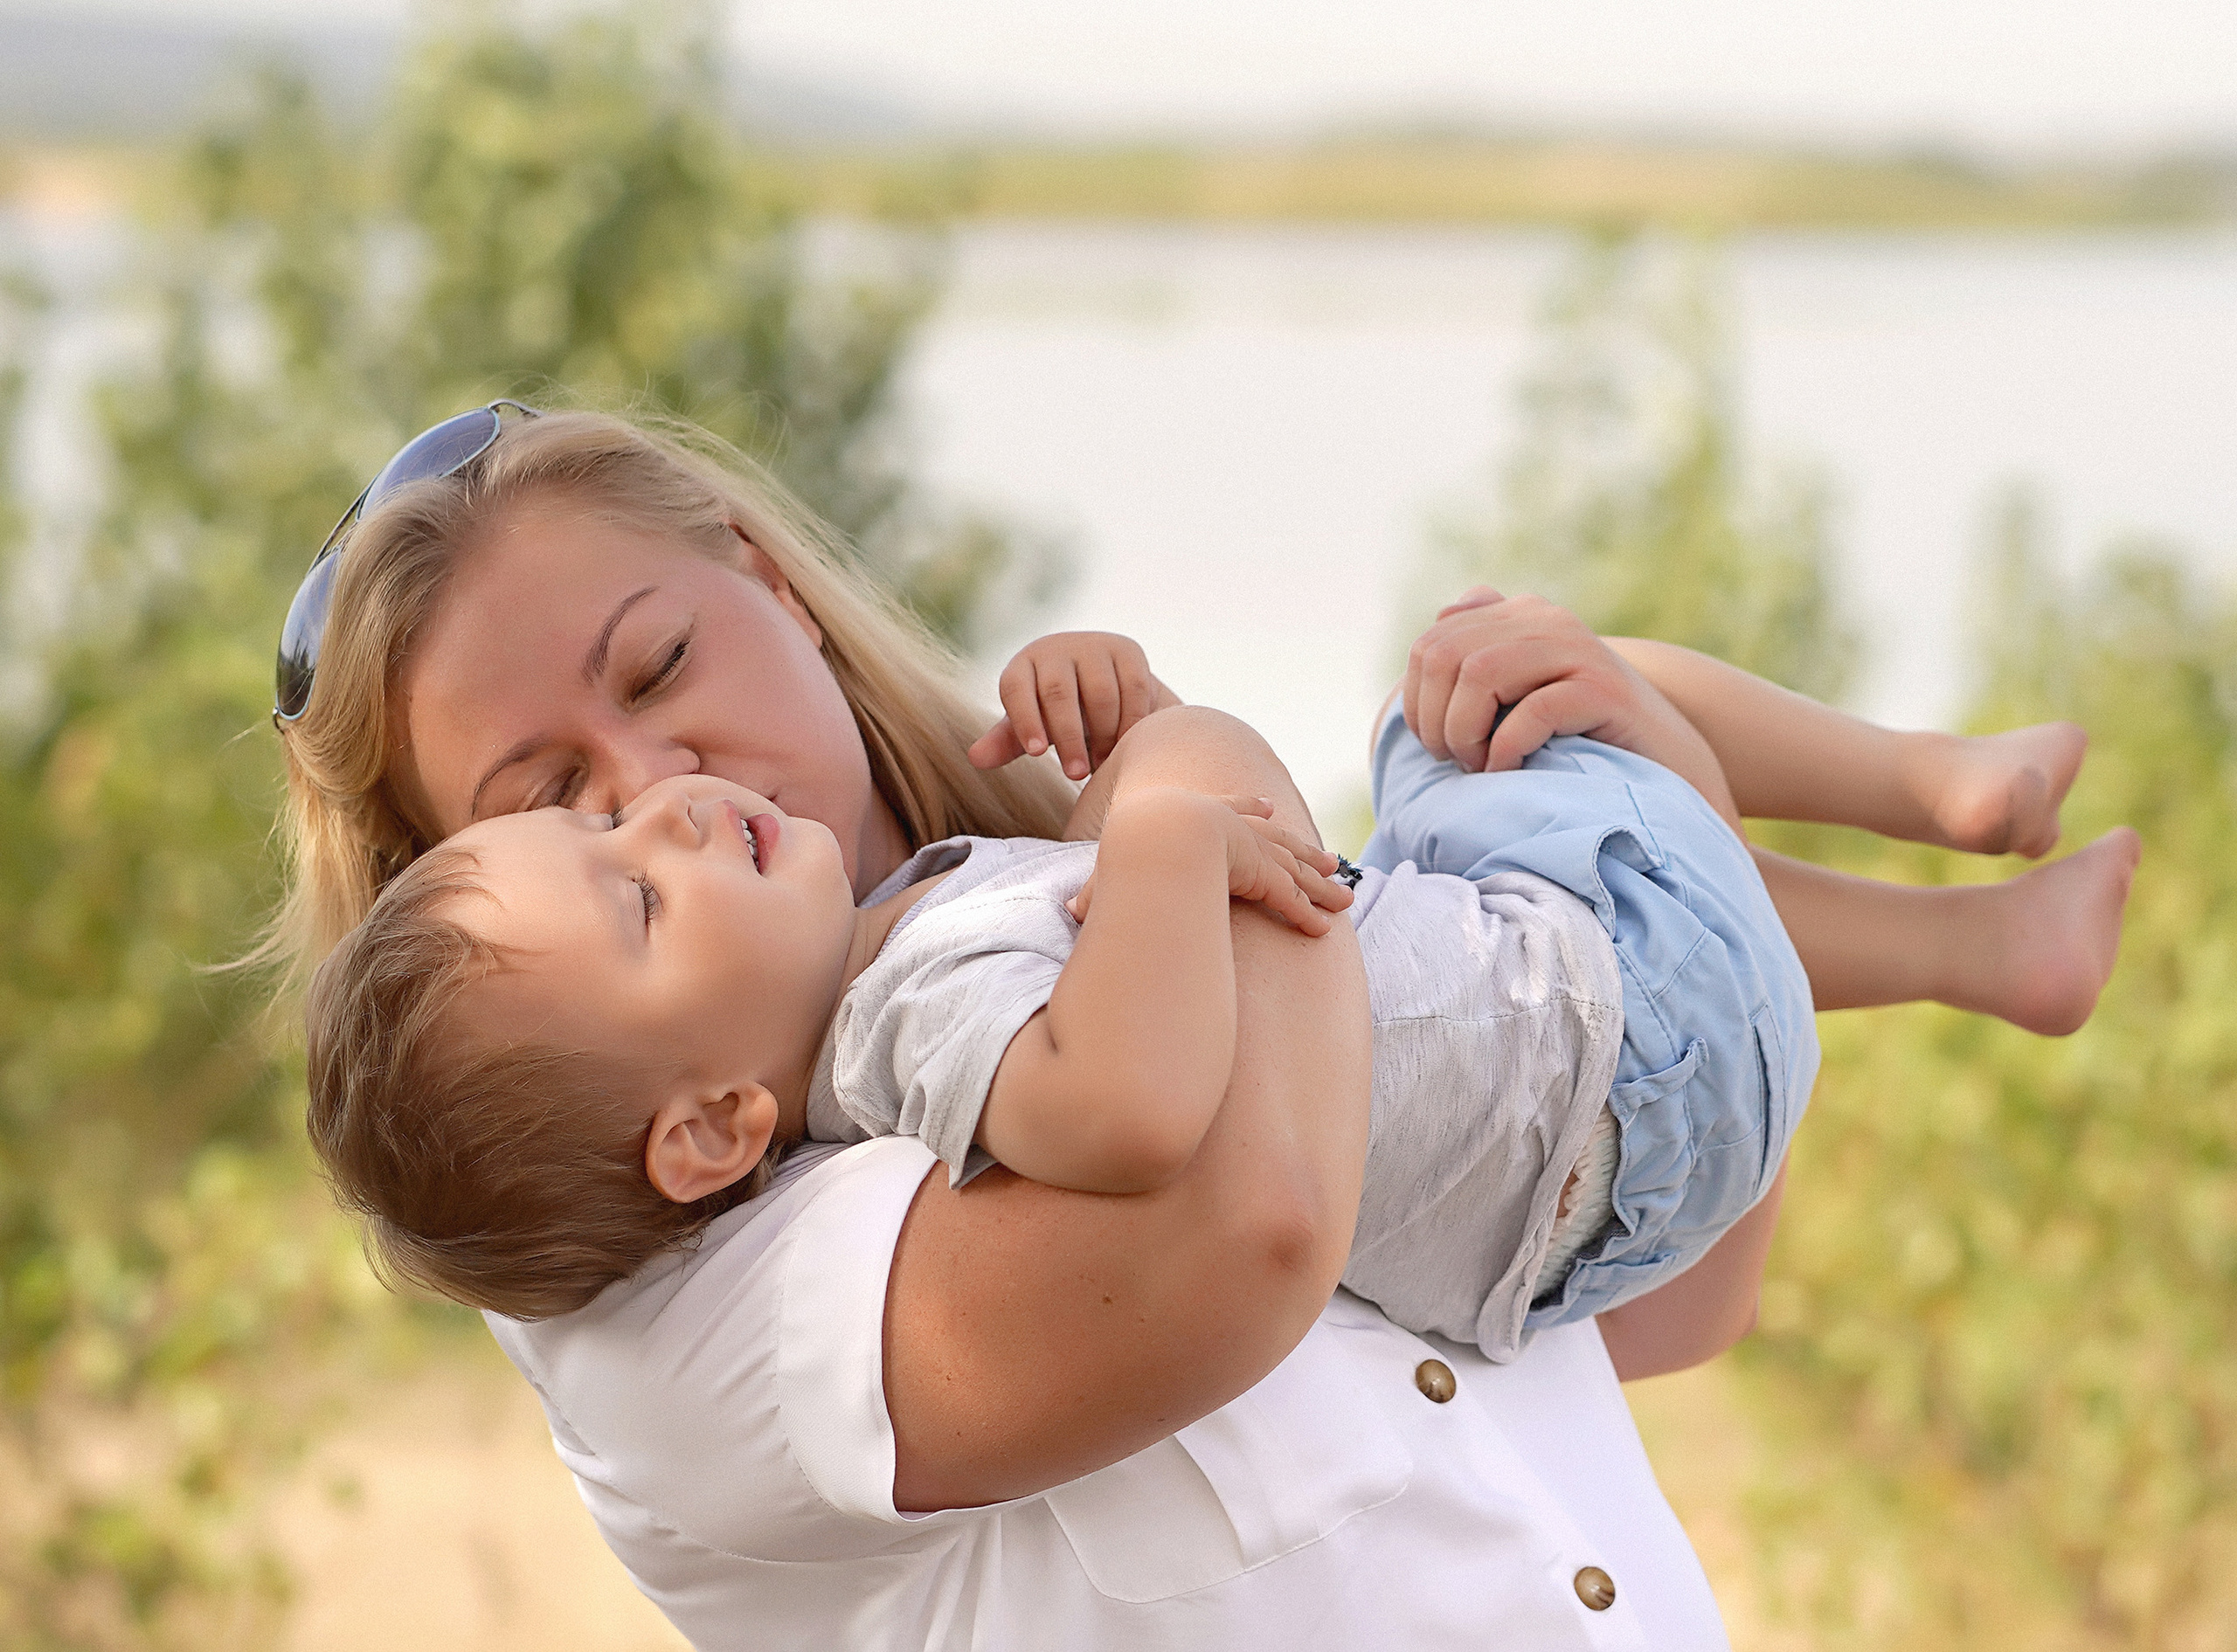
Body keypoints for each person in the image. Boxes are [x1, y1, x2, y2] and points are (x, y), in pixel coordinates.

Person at [260, 401, 2095, 1649]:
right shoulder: (677, 1288)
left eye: (662, 669)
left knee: (1507, 702)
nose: (659, 782)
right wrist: (1195, 770)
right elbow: (1250, 1231)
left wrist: (1670, 802)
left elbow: (1666, 1299)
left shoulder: (1061, 891)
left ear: (772, 585)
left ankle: (1950, 884)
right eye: (559, 805)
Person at [299, 601, 2132, 1358]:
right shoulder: (907, 1014)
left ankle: (1986, 942)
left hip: (1616, 1147)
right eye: (621, 887)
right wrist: (1168, 801)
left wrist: (1125, 754)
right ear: (703, 1124)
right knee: (1471, 685)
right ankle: (1929, 788)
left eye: (623, 815)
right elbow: (1133, 1094)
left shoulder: (896, 981)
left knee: (1504, 743)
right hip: (1611, 1047)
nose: (670, 813)